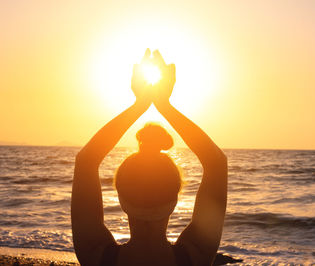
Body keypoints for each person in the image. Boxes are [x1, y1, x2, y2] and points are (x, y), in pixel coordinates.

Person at [71, 49, 228, 265]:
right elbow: (217, 163)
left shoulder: (96, 255)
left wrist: (139, 105)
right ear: (174, 202)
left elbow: (86, 161)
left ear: (121, 199)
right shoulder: (195, 256)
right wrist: (165, 105)